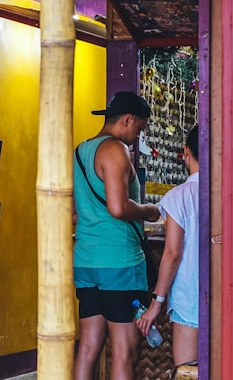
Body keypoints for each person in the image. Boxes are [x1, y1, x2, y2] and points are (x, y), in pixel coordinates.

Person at [74, 91, 162, 380]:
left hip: (87, 260)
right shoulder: (115, 150)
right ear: (127, 120)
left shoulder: (81, 151)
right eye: (140, 127)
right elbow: (117, 207)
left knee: (88, 349)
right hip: (119, 263)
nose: (139, 135)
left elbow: (76, 213)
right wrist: (150, 210)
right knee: (125, 350)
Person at [135, 125, 200, 369]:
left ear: (186, 151)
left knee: (186, 371)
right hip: (227, 296)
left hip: (189, 298)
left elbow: (172, 254)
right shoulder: (227, 192)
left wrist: (156, 303)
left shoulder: (180, 196)